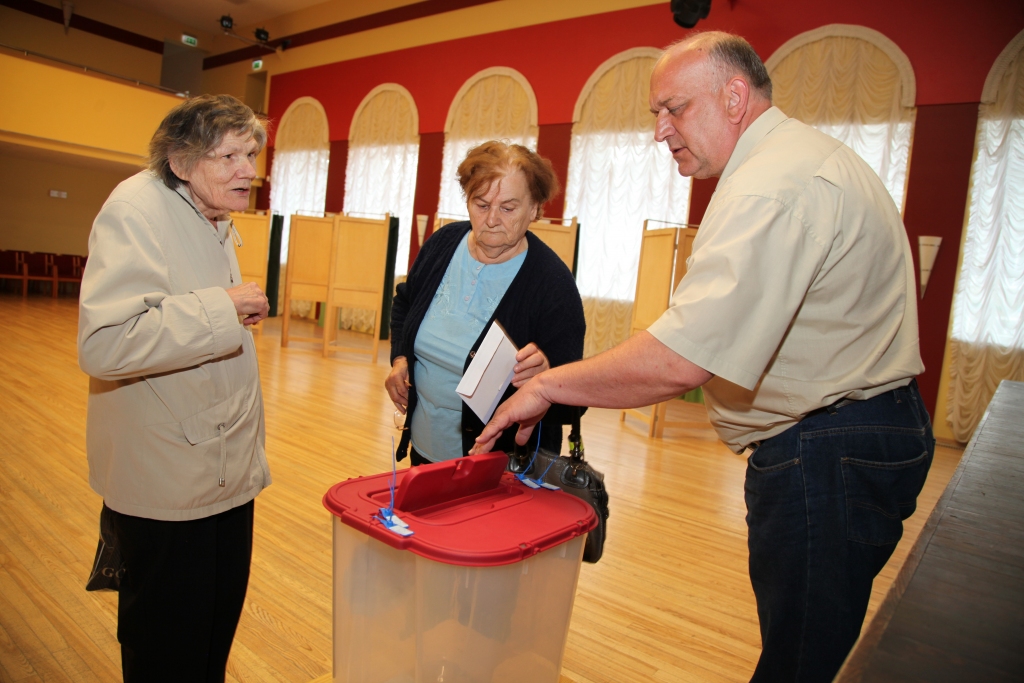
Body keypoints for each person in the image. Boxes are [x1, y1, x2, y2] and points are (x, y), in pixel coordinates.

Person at [474, 32, 934, 683]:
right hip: (860, 432)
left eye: (675, 109)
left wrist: (550, 386)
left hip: (825, 448)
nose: (661, 131)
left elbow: (681, 359)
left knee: (799, 658)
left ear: (735, 95)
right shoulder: (804, 158)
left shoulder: (770, 187)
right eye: (655, 114)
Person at [78, 94, 272, 683]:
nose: (249, 170)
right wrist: (222, 308)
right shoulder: (134, 210)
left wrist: (227, 313)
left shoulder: (209, 209)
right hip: (168, 477)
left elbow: (181, 316)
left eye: (252, 154)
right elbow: (105, 343)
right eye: (231, 156)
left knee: (213, 631)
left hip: (224, 468)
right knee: (165, 644)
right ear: (182, 162)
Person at [386, 140, 585, 465]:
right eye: (481, 204)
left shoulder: (552, 284)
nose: (492, 219)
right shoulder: (442, 244)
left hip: (501, 469)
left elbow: (575, 400)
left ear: (534, 208)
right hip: (425, 451)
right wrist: (399, 359)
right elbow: (405, 304)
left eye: (508, 208)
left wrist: (547, 379)